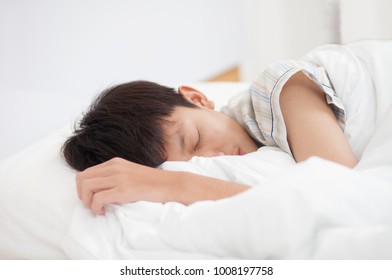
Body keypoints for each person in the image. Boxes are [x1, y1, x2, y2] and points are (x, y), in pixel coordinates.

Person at [62, 60, 357, 215]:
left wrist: (176, 184)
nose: (216, 159)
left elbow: (344, 200)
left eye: (195, 139)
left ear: (198, 98)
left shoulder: (278, 89)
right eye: (194, 166)